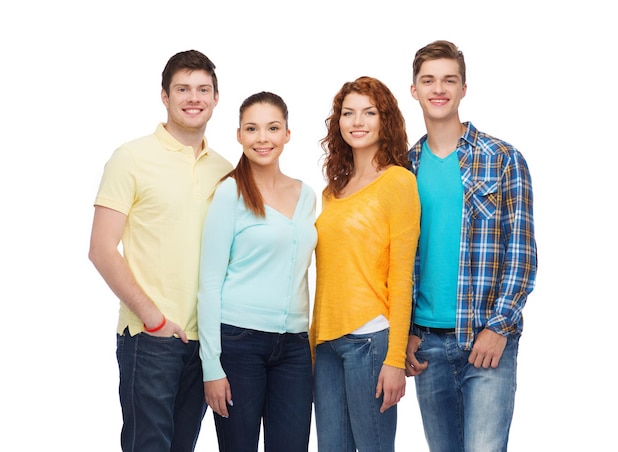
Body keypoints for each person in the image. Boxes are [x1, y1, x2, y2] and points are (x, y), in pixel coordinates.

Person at [88, 50, 233, 452]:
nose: (193, 98)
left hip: (203, 340)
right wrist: (153, 319)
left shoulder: (224, 170)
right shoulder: (131, 158)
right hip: (150, 337)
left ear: (216, 98)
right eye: (182, 89)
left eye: (203, 89)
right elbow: (101, 248)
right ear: (165, 97)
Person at [404, 40, 538, 452]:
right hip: (427, 344)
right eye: (428, 80)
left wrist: (499, 327)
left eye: (449, 80)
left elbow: (522, 253)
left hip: (486, 340)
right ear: (414, 90)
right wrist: (407, 330)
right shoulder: (403, 168)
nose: (438, 89)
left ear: (464, 89)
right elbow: (402, 257)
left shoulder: (502, 158)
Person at [198, 91, 317, 452]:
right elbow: (208, 283)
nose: (262, 138)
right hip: (238, 343)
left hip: (295, 347)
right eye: (252, 128)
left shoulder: (307, 195)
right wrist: (211, 367)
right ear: (239, 135)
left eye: (272, 128)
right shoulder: (229, 192)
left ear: (287, 134)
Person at [310, 76, 420, 452]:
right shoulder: (332, 191)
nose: (357, 121)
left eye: (368, 112)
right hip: (326, 345)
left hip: (371, 342)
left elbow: (402, 277)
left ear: (384, 120)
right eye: (348, 112)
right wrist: (312, 344)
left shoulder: (399, 183)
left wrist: (395, 358)